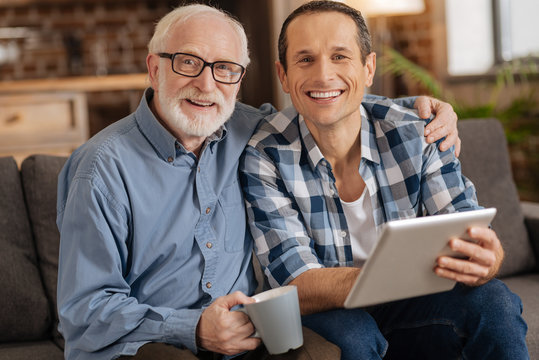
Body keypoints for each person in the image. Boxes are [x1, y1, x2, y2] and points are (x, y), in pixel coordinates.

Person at [56, 3, 460, 360]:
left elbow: (328, 101)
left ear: (240, 77)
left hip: (246, 336)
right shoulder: (102, 167)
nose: (207, 84)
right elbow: (84, 309)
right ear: (154, 67)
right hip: (147, 343)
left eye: (225, 69)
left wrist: (419, 113)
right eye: (187, 62)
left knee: (327, 351)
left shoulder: (251, 128)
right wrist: (194, 328)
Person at [240, 1, 529, 360]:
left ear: (369, 67)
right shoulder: (265, 153)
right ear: (283, 75)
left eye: (340, 56)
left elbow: (466, 224)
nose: (323, 75)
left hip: (413, 307)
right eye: (305, 59)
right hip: (329, 313)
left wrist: (489, 256)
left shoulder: (418, 130)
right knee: (352, 339)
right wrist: (386, 277)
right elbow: (297, 282)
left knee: (495, 302)